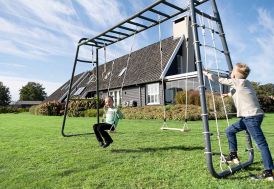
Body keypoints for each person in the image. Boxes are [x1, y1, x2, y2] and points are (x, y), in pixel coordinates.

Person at [203, 63, 273, 181]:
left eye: (232, 71)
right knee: (230, 130)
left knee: (261, 144)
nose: (231, 72)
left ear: (235, 75)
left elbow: (219, 80)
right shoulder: (246, 83)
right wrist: (228, 94)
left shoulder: (238, 82)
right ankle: (233, 155)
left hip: (251, 117)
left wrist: (206, 73)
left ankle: (268, 172)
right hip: (250, 117)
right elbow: (239, 92)